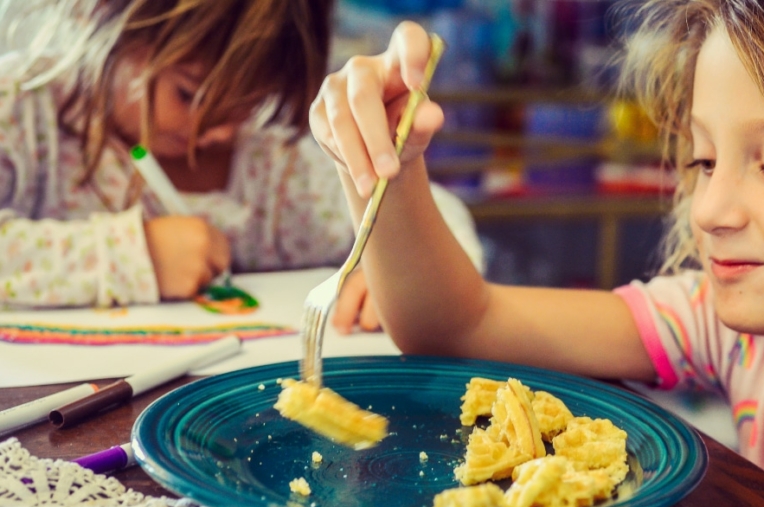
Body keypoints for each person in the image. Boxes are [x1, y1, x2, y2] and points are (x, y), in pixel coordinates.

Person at [309, 0, 764, 507]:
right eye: (702, 160)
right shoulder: (722, 324)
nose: (710, 209)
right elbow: (459, 325)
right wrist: (381, 167)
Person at [0, 0, 482, 332]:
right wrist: (132, 255)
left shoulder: (270, 164)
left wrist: (399, 275)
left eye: (247, 104)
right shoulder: (22, 111)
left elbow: (444, 212)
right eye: (189, 93)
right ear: (107, 18)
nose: (219, 131)